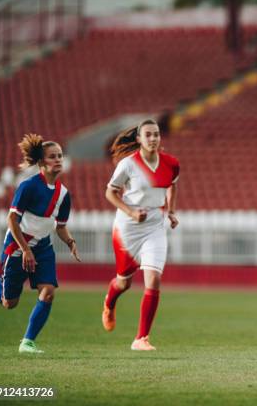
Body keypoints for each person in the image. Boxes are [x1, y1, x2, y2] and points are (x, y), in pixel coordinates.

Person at [0, 134, 80, 353]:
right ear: (41, 162)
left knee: (48, 291)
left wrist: (70, 241)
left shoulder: (64, 194)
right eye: (52, 157)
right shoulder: (28, 186)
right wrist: (25, 249)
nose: (58, 160)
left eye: (60, 156)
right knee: (9, 303)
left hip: (43, 248)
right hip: (18, 247)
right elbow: (12, 220)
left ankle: (27, 342)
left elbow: (60, 225)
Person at [102, 119, 179, 351]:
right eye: (148, 135)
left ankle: (141, 338)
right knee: (124, 282)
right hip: (128, 228)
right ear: (139, 139)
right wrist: (131, 212)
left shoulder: (171, 163)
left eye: (156, 134)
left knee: (154, 279)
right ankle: (109, 301)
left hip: (155, 225)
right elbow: (110, 193)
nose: (153, 138)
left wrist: (172, 212)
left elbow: (172, 185)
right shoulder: (128, 164)